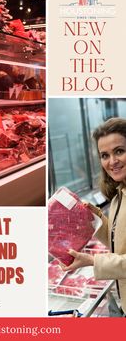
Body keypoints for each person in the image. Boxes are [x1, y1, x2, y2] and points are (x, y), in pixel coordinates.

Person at [62, 117, 126, 316]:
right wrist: (95, 217)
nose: (112, 161)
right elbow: (118, 244)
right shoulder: (119, 195)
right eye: (104, 155)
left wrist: (92, 260)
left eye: (119, 151)